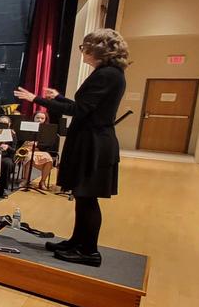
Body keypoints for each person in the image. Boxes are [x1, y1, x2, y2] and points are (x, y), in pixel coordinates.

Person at [14, 28, 128, 267]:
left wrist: (37, 99)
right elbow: (85, 106)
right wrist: (59, 98)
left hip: (93, 144)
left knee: (87, 197)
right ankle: (78, 241)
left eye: (85, 47)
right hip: (91, 140)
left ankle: (89, 251)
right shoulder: (109, 73)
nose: (83, 52)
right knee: (82, 196)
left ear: (98, 49)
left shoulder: (107, 74)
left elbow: (79, 111)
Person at [17, 111, 56, 190]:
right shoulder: (27, 127)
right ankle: (26, 180)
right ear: (33, 118)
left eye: (42, 118)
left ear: (45, 120)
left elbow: (49, 144)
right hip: (28, 150)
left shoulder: (48, 130)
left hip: (41, 151)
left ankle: (42, 182)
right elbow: (21, 139)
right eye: (37, 118)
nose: (39, 120)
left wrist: (37, 144)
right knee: (28, 157)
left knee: (49, 160)